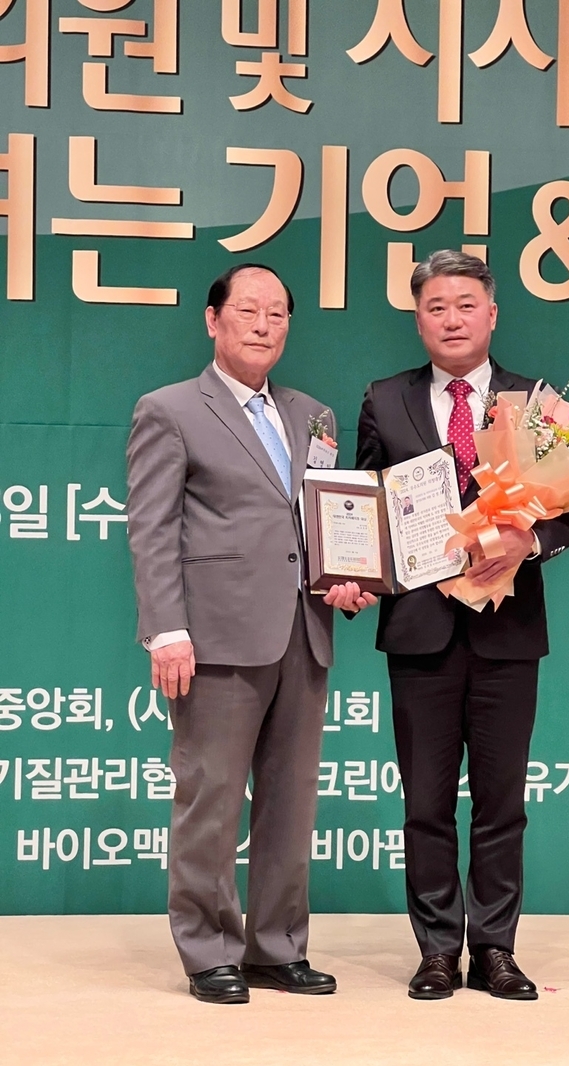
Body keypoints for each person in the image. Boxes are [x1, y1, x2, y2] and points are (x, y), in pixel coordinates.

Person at [126, 263, 376, 1004]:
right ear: (213, 320)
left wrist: (346, 577)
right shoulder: (170, 409)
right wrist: (166, 630)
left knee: (291, 803)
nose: (264, 325)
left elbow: (325, 521)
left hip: (304, 630)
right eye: (248, 310)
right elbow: (151, 529)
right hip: (214, 637)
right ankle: (209, 951)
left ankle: (277, 946)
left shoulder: (314, 415)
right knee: (211, 799)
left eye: (278, 314)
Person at [356, 250, 569, 1001]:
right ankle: (437, 951)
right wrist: (352, 571)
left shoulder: (535, 402)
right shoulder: (384, 399)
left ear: (492, 314)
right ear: (418, 319)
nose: (452, 319)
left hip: (507, 630)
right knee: (425, 804)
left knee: (501, 803)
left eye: (466, 305)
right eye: (436, 306)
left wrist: (533, 541)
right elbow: (362, 503)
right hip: (419, 630)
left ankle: (495, 949)